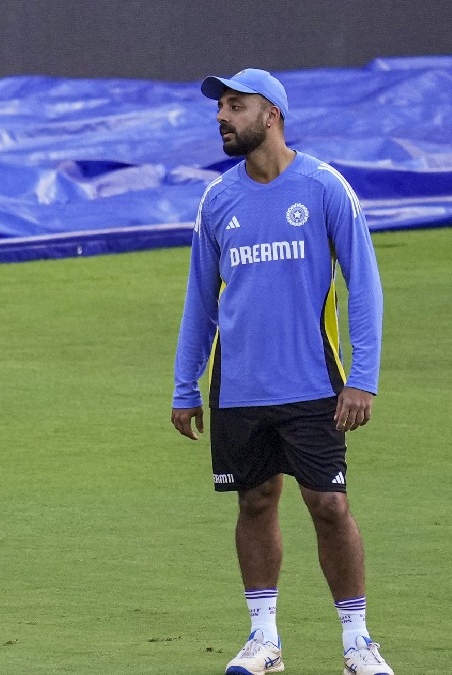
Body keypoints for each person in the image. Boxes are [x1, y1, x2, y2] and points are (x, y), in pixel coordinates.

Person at [171, 69, 392, 675]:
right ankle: (263, 640)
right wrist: (185, 385)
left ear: (271, 115)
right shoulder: (217, 201)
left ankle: (357, 642)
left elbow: (364, 285)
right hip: (239, 387)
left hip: (314, 384)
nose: (222, 116)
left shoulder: (324, 187)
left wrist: (363, 377)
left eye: (235, 106)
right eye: (220, 107)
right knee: (255, 502)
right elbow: (200, 302)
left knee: (329, 505)